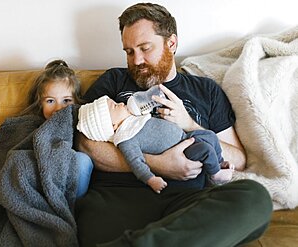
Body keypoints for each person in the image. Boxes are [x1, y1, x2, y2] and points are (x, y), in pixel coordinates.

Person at [75, 3, 272, 246]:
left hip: (186, 204)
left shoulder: (205, 90)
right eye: (128, 51)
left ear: (171, 43)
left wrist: (190, 124)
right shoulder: (113, 82)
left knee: (254, 198)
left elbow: (238, 159)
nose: (136, 60)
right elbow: (84, 144)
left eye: (145, 48)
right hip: (118, 198)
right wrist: (158, 164)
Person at [77, 94, 233, 193]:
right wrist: (151, 179)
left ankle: (218, 163)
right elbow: (135, 162)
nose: (119, 103)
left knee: (210, 135)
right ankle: (215, 175)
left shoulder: (133, 119)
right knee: (205, 150)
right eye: (114, 106)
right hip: (184, 152)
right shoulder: (125, 138)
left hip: (185, 137)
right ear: (112, 126)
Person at [21, 59, 93, 198]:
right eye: (50, 101)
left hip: (67, 184)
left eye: (66, 101)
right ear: (40, 103)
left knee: (83, 160)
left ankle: (66, 209)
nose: (58, 108)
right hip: (38, 183)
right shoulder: (31, 124)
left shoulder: (81, 122)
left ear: (76, 101)